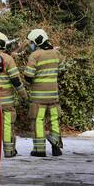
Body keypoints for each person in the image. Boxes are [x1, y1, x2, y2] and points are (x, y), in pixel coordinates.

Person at [23, 28, 61, 157]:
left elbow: (28, 76)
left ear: (37, 41)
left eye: (32, 42)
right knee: (54, 120)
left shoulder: (35, 55)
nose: (31, 45)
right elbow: (62, 70)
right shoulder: (57, 54)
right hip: (54, 95)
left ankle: (39, 150)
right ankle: (56, 147)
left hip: (38, 97)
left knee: (38, 121)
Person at [0, 32, 22, 157]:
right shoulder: (8, 59)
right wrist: (24, 95)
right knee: (7, 125)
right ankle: (9, 151)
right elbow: (15, 80)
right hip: (7, 102)